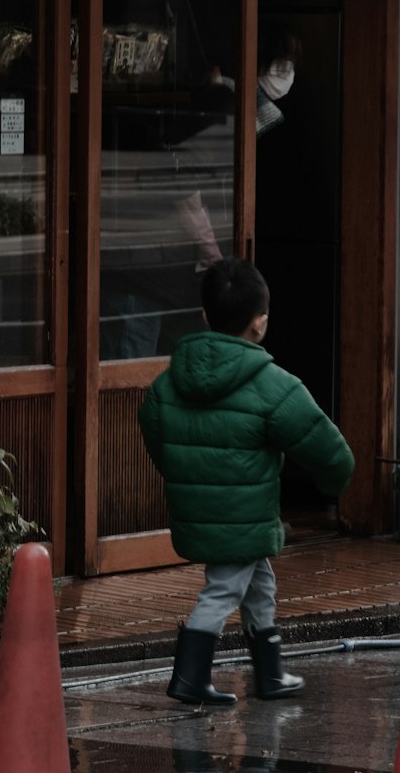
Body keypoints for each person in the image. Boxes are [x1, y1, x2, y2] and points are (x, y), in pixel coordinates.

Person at [138, 257, 354, 705]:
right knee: (222, 591)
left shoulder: (166, 385)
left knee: (260, 584)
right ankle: (189, 678)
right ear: (260, 324)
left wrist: (189, 478)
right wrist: (334, 483)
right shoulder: (273, 384)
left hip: (204, 511)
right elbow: (328, 450)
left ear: (204, 316)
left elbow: (159, 440)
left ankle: (271, 674)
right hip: (245, 514)